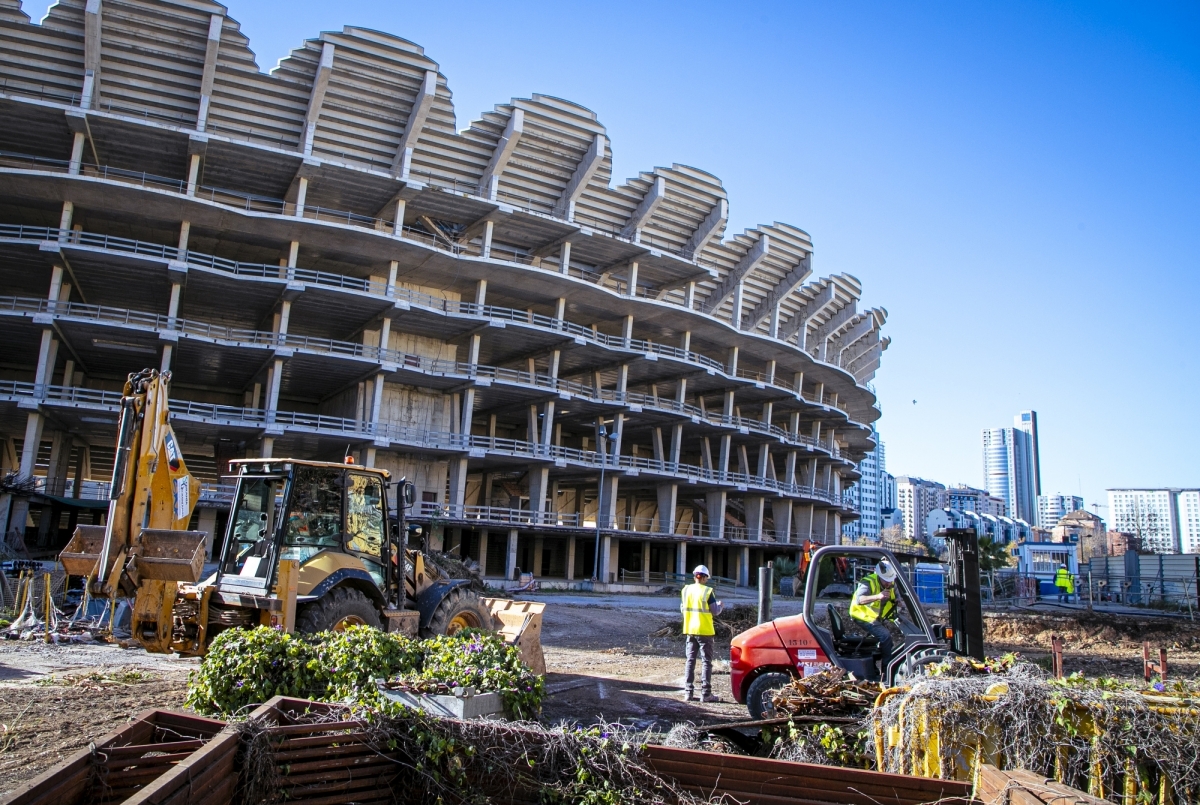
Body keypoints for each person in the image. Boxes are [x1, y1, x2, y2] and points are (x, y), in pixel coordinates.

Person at [848, 559, 899, 680]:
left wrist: (899, 602)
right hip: (862, 615)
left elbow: (897, 597)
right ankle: (887, 673)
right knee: (885, 636)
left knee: (886, 642)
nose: (888, 583)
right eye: (886, 581)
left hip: (875, 618)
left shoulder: (892, 584)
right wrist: (878, 596)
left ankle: (875, 668)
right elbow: (860, 600)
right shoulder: (868, 582)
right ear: (879, 576)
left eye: (890, 581)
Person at [681, 564, 723, 702]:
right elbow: (715, 611)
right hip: (704, 631)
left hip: (690, 630)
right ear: (705, 578)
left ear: (694, 576)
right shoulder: (707, 591)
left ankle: (688, 693)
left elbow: (683, 608)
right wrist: (720, 605)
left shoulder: (686, 590)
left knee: (690, 661)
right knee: (706, 662)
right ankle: (706, 694)